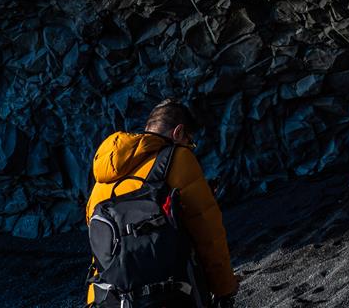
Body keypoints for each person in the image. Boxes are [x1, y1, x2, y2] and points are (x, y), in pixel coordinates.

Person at [84, 99, 238, 307]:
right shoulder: (177, 158)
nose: (189, 147)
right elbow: (208, 234)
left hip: (114, 299)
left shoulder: (100, 184)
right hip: (174, 294)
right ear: (178, 132)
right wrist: (224, 289)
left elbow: (99, 255)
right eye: (190, 141)